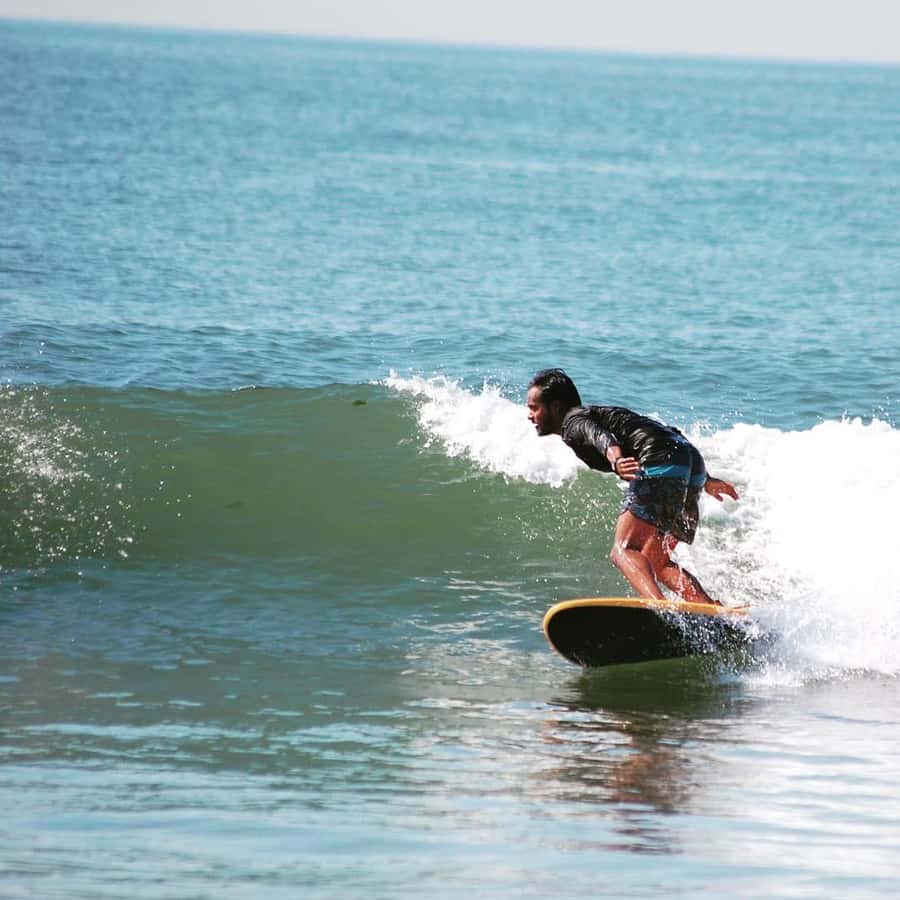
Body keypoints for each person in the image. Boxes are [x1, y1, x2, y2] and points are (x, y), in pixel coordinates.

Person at [526, 368, 738, 606]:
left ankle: (660, 608)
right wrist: (704, 479)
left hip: (659, 461)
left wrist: (615, 458)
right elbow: (669, 434)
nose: (530, 415)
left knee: (623, 550)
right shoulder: (599, 413)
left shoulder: (573, 421)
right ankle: (711, 610)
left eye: (534, 408)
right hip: (688, 462)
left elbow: (599, 435)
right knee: (657, 561)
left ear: (555, 407)